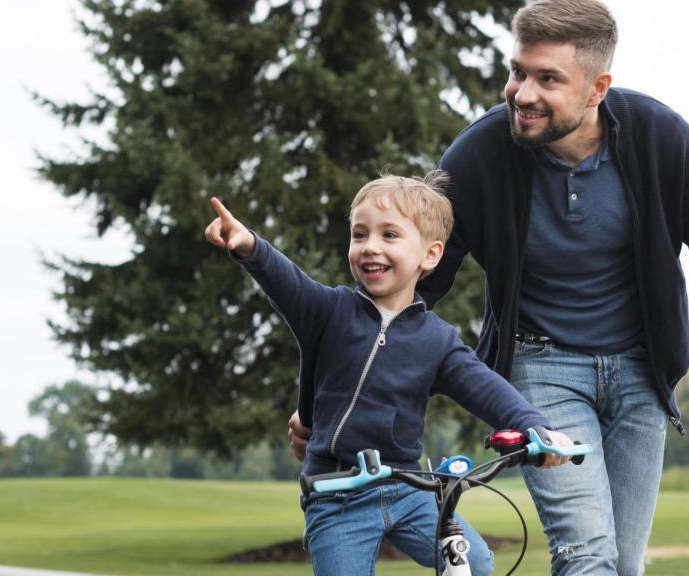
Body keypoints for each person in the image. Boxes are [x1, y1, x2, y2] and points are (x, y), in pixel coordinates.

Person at [289, 1, 689, 574]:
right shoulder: (480, 155)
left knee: (625, 564)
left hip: (643, 373)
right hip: (541, 369)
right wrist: (339, 393)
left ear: (598, 89)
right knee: (586, 554)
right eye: (518, 71)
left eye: (548, 79)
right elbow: (413, 286)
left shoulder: (662, 140)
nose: (522, 93)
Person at [205, 173, 577, 576]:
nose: (370, 247)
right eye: (360, 235)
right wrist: (249, 245)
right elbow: (286, 280)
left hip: (409, 489)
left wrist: (535, 427)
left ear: (430, 255)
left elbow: (485, 387)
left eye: (389, 236)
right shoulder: (328, 311)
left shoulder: (438, 340)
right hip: (337, 495)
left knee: (476, 563)